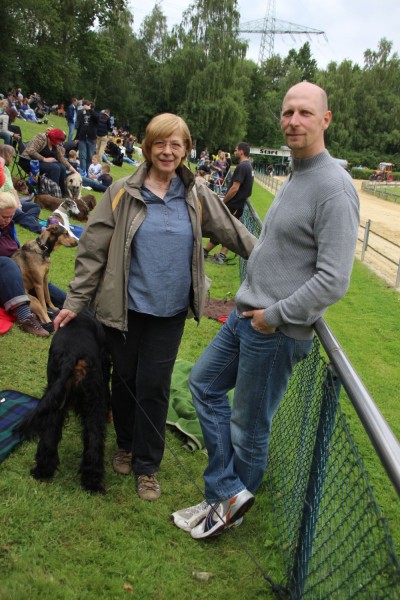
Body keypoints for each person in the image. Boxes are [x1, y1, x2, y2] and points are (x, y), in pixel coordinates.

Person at [172, 81, 360, 539]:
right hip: (245, 317)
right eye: (287, 111)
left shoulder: (335, 188)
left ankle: (225, 512)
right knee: (203, 385)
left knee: (249, 425)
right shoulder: (298, 173)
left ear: (325, 119)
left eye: (305, 112)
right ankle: (225, 492)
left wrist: (272, 317)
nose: (293, 120)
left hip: (273, 330)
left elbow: (334, 279)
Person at [53, 113, 256, 502]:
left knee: (154, 384)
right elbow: (93, 249)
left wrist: (273, 263)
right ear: (147, 147)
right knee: (125, 379)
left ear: (185, 149)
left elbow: (234, 234)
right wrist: (76, 301)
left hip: (170, 312)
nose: (167, 151)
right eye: (160, 143)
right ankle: (126, 445)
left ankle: (147, 466)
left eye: (176, 144)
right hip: (124, 308)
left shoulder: (196, 194)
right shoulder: (121, 192)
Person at [0, 191, 66, 337]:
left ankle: (85, 314)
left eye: (11, 216)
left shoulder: (8, 226)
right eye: (4, 217)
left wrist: (45, 230)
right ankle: (26, 318)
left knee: (63, 298)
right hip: (5, 281)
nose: (8, 220)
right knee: (6, 262)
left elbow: (23, 217)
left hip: (20, 277)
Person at [203, 142, 254, 265]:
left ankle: (221, 255)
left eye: (236, 150)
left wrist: (224, 201)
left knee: (226, 229)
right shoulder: (248, 166)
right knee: (222, 227)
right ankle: (205, 251)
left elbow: (235, 188)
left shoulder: (242, 167)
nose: (234, 152)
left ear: (241, 151)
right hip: (237, 204)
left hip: (234, 204)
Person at [20, 128, 78, 197]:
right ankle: (54, 194)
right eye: (59, 141)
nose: (60, 143)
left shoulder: (55, 145)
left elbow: (61, 158)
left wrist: (74, 170)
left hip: (41, 163)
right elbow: (30, 151)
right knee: (55, 168)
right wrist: (44, 159)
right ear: (54, 138)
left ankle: (62, 193)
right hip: (29, 161)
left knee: (62, 167)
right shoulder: (41, 138)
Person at [0, 144, 42, 234]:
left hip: (12, 202)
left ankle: (24, 219)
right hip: (4, 204)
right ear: (5, 155)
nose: (12, 158)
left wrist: (18, 204)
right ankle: (41, 230)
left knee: (35, 207)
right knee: (21, 214)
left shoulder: (6, 170)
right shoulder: (1, 171)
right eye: (11, 156)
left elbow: (12, 189)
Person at [75, 101, 99, 175]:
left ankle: (88, 172)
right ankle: (82, 172)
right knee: (82, 156)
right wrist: (77, 137)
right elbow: (80, 126)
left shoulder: (95, 115)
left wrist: (90, 110)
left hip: (91, 139)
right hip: (82, 138)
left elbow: (98, 117)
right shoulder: (82, 114)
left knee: (89, 157)